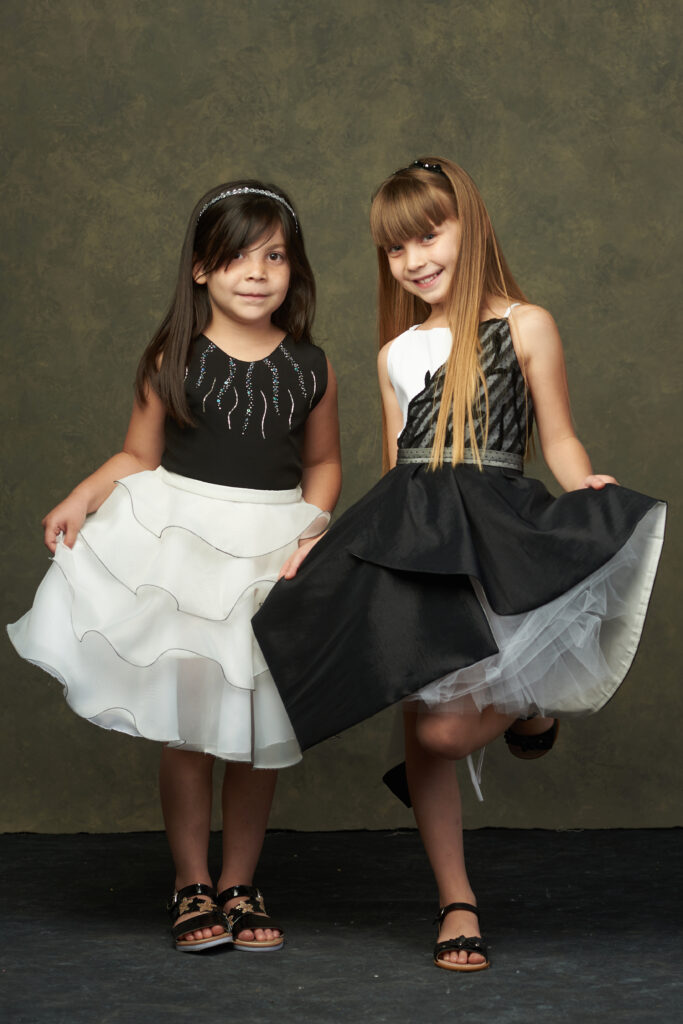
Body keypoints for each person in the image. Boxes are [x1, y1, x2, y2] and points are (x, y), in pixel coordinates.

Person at [252, 158, 666, 972]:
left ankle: (526, 705)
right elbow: (394, 469)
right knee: (422, 714)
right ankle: (455, 901)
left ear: (468, 227)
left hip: (494, 533)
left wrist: (584, 484)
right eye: (393, 247)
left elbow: (556, 436)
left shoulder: (525, 324)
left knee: (445, 732)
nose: (412, 259)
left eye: (427, 236)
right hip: (416, 537)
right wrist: (331, 541)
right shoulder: (395, 352)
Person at [8, 181, 342, 953]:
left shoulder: (312, 366)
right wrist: (81, 496)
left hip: (271, 553)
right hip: (186, 555)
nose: (256, 273)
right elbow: (138, 454)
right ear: (200, 269)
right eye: (237, 257)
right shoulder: (172, 358)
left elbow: (323, 463)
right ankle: (191, 882)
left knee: (256, 726)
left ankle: (239, 882)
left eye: (274, 256)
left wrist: (313, 524)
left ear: (293, 269)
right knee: (189, 728)